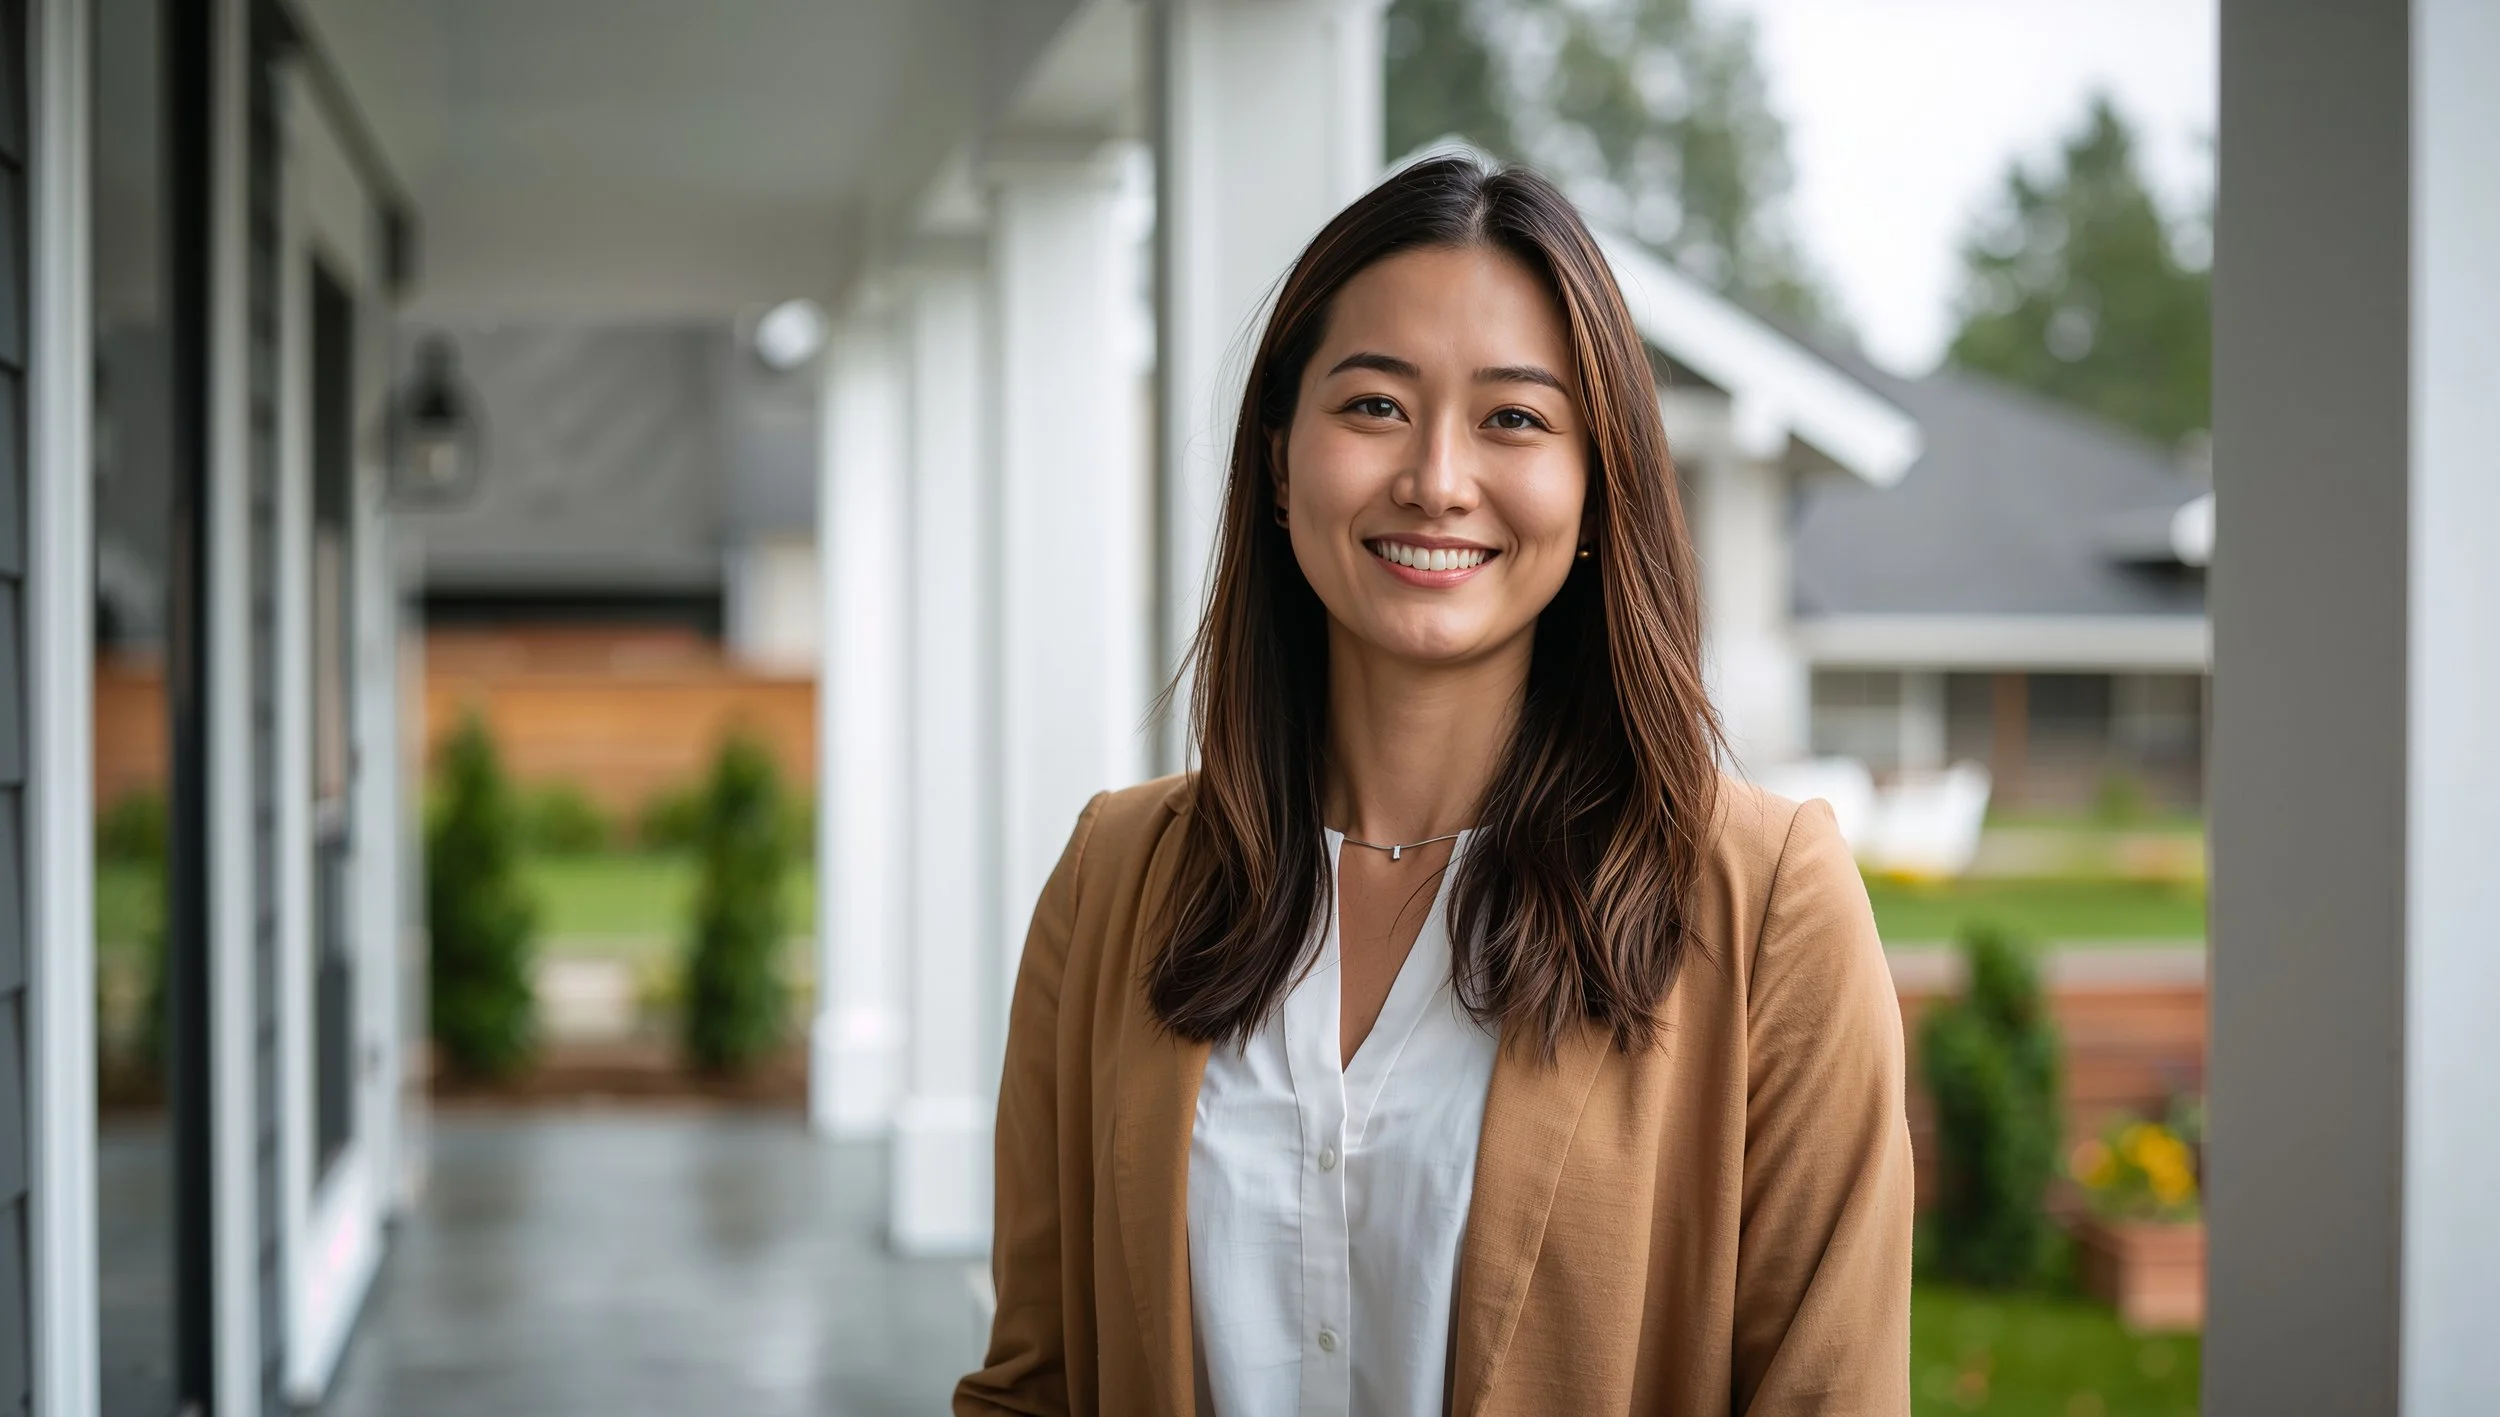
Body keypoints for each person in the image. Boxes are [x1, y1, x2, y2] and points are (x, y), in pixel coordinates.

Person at [956, 155, 1911, 1417]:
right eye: (1373, 406)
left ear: (1591, 490)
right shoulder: (1113, 877)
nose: (1437, 479)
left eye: (1513, 418)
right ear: (1280, 461)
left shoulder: (1766, 903)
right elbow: (1035, 1386)